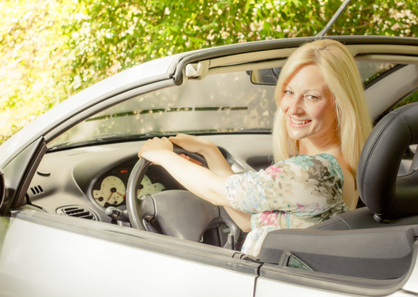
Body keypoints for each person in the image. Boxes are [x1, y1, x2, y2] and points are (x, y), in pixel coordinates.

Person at [138, 39, 372, 257]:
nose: (293, 107)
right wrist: (210, 151)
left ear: (340, 104)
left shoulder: (313, 173)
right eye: (289, 92)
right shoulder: (340, 165)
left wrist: (163, 156)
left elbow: (217, 191)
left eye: (311, 97)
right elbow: (248, 220)